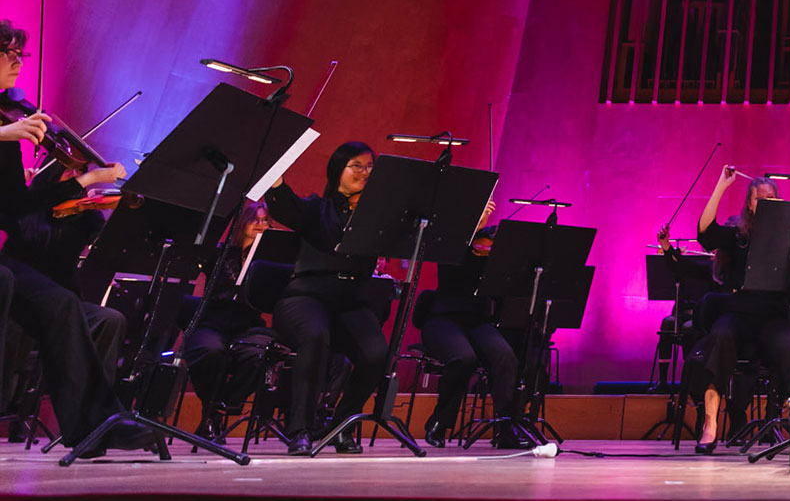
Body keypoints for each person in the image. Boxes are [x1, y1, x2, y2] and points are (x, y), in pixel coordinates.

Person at [0, 20, 128, 453]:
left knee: (61, 303)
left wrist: (83, 181)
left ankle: (96, 426)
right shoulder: (5, 129)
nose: (17, 62)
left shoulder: (9, 125)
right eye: (7, 53)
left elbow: (14, 208)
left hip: (8, 262)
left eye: (21, 54)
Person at [264, 141, 392, 455]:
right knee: (316, 335)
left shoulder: (375, 217)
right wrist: (276, 175)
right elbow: (285, 205)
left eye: (369, 167)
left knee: (376, 353)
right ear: (338, 170)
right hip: (306, 296)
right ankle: (301, 430)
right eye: (357, 166)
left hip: (349, 300)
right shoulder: (316, 208)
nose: (365, 172)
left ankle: (341, 426)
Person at [682, 165, 790, 454]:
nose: (765, 201)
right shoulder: (738, 235)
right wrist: (721, 185)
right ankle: (710, 423)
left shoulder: (789, 237)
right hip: (739, 313)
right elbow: (705, 233)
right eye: (759, 197)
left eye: (771, 196)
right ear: (750, 204)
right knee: (721, 335)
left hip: (772, 315)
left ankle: (783, 417)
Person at [418, 205, 531, 449]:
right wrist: (473, 228)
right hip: (443, 318)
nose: (486, 210)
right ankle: (439, 422)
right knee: (463, 358)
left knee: (505, 358)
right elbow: (453, 273)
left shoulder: (490, 243)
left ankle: (505, 428)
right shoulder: (449, 237)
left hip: (478, 320)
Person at [172, 200, 279, 443]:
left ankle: (221, 407)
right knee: (209, 351)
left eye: (266, 222)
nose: (261, 226)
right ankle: (210, 413)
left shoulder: (270, 261)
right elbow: (191, 262)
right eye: (255, 221)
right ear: (243, 224)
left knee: (262, 353)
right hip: (213, 319)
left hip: (248, 323)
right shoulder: (219, 253)